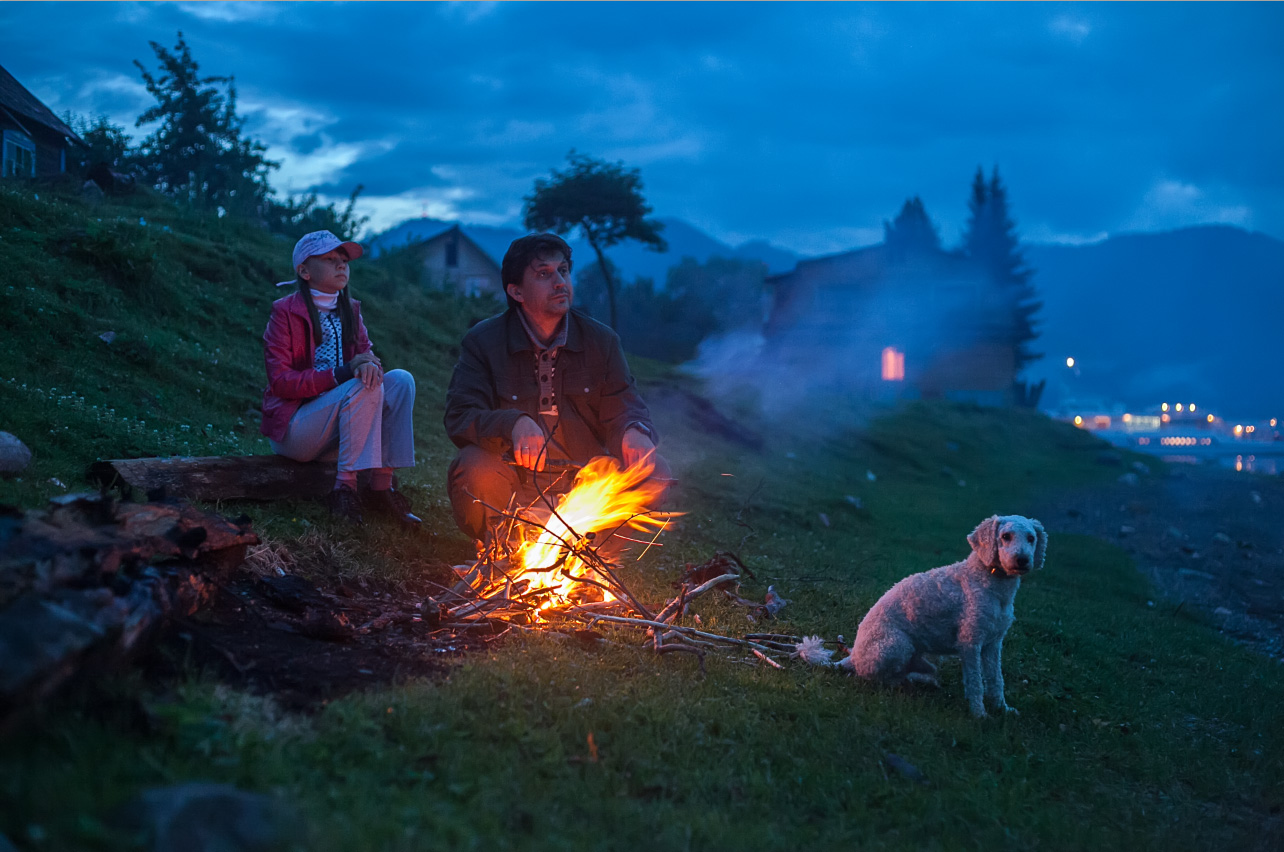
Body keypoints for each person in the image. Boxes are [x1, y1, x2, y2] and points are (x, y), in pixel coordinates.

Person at [444, 233, 672, 543]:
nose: (559, 282)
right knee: (474, 467)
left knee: (655, 472)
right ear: (517, 291)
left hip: (583, 485)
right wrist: (512, 423)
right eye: (543, 274)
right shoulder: (484, 342)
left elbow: (623, 402)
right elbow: (460, 415)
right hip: (514, 486)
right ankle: (504, 551)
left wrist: (634, 429)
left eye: (563, 270)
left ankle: (591, 558)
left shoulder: (601, 342)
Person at [261, 230, 420, 526]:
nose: (341, 265)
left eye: (344, 260)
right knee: (361, 383)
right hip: (296, 431)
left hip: (343, 429)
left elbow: (367, 358)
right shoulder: (284, 312)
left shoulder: (351, 309)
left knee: (401, 380)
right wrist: (343, 373)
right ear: (304, 271)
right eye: (330, 259)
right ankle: (344, 490)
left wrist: (367, 364)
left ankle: (381, 487)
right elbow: (281, 382)